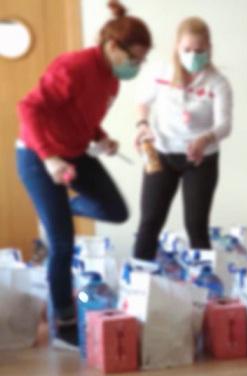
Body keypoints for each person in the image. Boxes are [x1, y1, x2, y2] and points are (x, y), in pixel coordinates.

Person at [15, 0, 151, 349]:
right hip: (37, 154)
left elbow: (83, 117)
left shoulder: (112, 80)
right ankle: (64, 323)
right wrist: (49, 159)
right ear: (111, 47)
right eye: (134, 59)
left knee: (116, 211)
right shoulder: (73, 65)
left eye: (141, 60)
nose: (137, 66)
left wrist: (102, 139)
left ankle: (60, 211)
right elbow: (29, 108)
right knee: (63, 243)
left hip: (75, 153)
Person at [132, 17, 233, 261]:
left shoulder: (218, 83)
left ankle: (205, 286)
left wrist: (205, 139)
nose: (193, 55)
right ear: (177, 47)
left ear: (209, 48)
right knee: (149, 222)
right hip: (161, 152)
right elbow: (142, 103)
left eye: (199, 50)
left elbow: (224, 125)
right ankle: (138, 283)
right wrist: (142, 126)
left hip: (200, 159)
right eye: (187, 50)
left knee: (196, 226)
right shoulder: (161, 72)